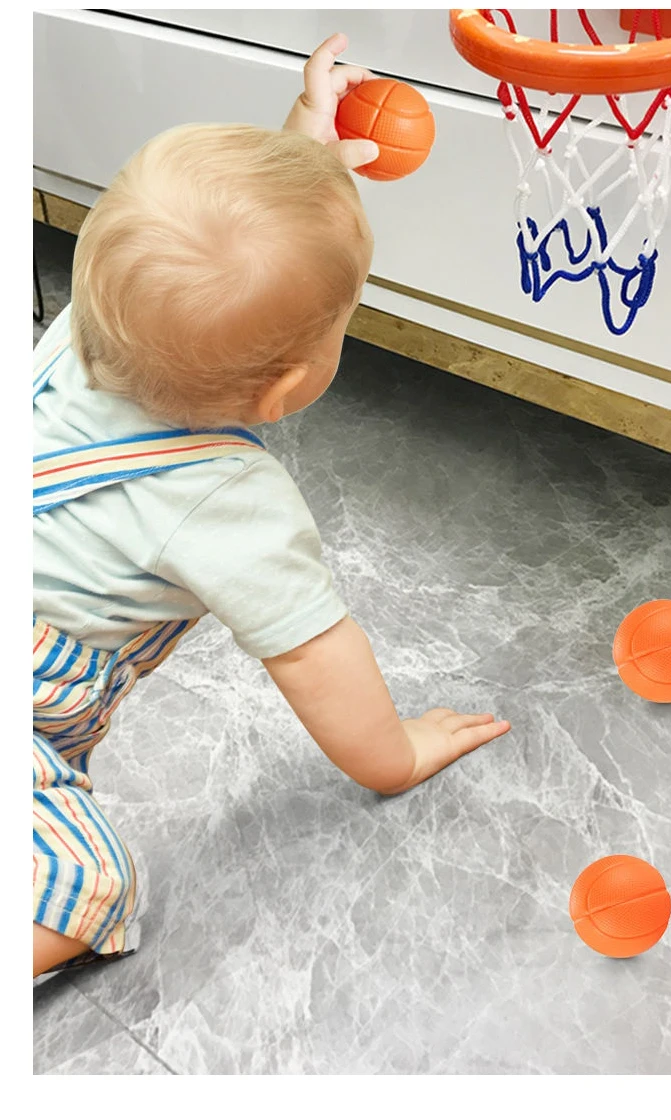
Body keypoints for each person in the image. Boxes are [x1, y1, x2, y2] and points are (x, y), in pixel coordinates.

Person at [33, 34, 511, 980]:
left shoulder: (91, 323)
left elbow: (205, 256)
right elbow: (316, 657)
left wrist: (303, 151)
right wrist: (395, 756)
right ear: (287, 386)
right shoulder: (228, 500)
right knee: (85, 883)